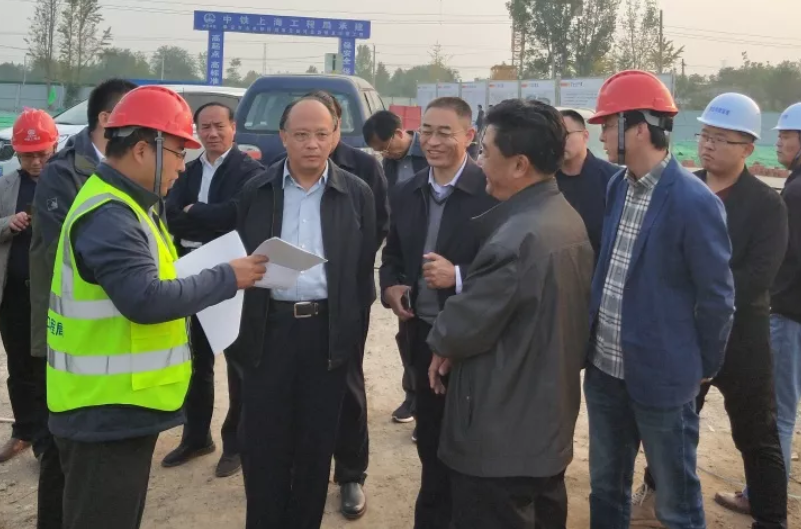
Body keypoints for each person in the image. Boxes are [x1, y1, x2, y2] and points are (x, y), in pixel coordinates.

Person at [46, 85, 267, 529]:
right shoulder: (111, 214)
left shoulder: (131, 205)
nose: (183, 166)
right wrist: (227, 277)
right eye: (179, 153)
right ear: (144, 149)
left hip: (115, 405)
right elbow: (145, 299)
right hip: (104, 409)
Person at [426, 99, 594, 529]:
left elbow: (456, 328)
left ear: (519, 165)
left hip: (499, 438)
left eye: (485, 151)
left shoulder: (515, 239)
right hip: (544, 428)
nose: (480, 162)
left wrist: (445, 340)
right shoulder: (564, 217)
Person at [584, 70, 735, 529]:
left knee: (676, 502)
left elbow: (717, 298)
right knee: (605, 488)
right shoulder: (617, 186)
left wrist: (702, 365)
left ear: (638, 128)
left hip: (663, 380)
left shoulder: (694, 202)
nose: (601, 135)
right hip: (606, 372)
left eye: (608, 124)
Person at [630, 93, 789, 529]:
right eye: (705, 135)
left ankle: (770, 519)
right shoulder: (681, 188)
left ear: (748, 148)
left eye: (721, 138)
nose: (708, 145)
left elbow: (759, 274)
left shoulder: (765, 203)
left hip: (742, 339)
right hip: (686, 335)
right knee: (671, 424)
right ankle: (654, 495)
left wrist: (704, 291)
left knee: (756, 434)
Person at [233, 96, 376, 529]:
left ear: (335, 136)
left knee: (315, 447)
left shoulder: (356, 193)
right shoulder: (257, 190)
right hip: (269, 330)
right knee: (264, 444)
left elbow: (360, 269)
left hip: (325, 332)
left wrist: (347, 332)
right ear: (283, 137)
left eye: (320, 134)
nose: (311, 144)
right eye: (300, 134)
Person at [379, 96, 496, 528]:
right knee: (430, 439)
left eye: (445, 132)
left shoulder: (491, 192)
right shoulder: (407, 191)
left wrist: (458, 275)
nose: (432, 141)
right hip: (422, 334)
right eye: (426, 131)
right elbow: (392, 254)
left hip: (471, 340)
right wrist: (391, 286)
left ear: (470, 136)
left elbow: (508, 270)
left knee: (472, 443)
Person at [29, 77, 136, 529]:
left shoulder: (129, 169)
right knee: (60, 443)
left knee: (91, 451)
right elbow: (68, 256)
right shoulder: (64, 172)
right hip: (67, 332)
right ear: (108, 120)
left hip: (105, 335)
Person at [162, 102, 264, 478]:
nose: (212, 133)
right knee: (196, 359)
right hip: (190, 270)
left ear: (233, 127)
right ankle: (196, 437)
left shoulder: (249, 172)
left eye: (219, 125)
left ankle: (236, 443)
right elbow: (169, 213)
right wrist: (202, 215)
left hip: (232, 274)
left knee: (237, 362)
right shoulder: (187, 170)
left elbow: (237, 214)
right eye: (204, 127)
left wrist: (195, 211)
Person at [363, 109, 429, 426]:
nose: (385, 154)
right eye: (379, 151)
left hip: (435, 253)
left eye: (386, 146)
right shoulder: (388, 165)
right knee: (407, 335)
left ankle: (431, 407)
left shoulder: (428, 155)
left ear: (400, 132)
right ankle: (412, 396)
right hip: (405, 253)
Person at [0, 109, 58, 464]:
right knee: (19, 365)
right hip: (14, 294)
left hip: (51, 296)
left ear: (55, 148)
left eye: (42, 155)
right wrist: (8, 222)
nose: (35, 163)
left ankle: (48, 442)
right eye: (27, 156)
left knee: (47, 368)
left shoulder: (67, 184)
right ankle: (23, 430)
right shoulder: (7, 185)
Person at [556, 109, 619, 260]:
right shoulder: (546, 180)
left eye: (565, 135)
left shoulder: (613, 179)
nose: (559, 142)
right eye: (555, 136)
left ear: (585, 136)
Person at [363, 109, 428, 190]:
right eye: (380, 152)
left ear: (398, 133)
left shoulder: (428, 150)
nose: (384, 155)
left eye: (385, 148)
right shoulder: (388, 162)